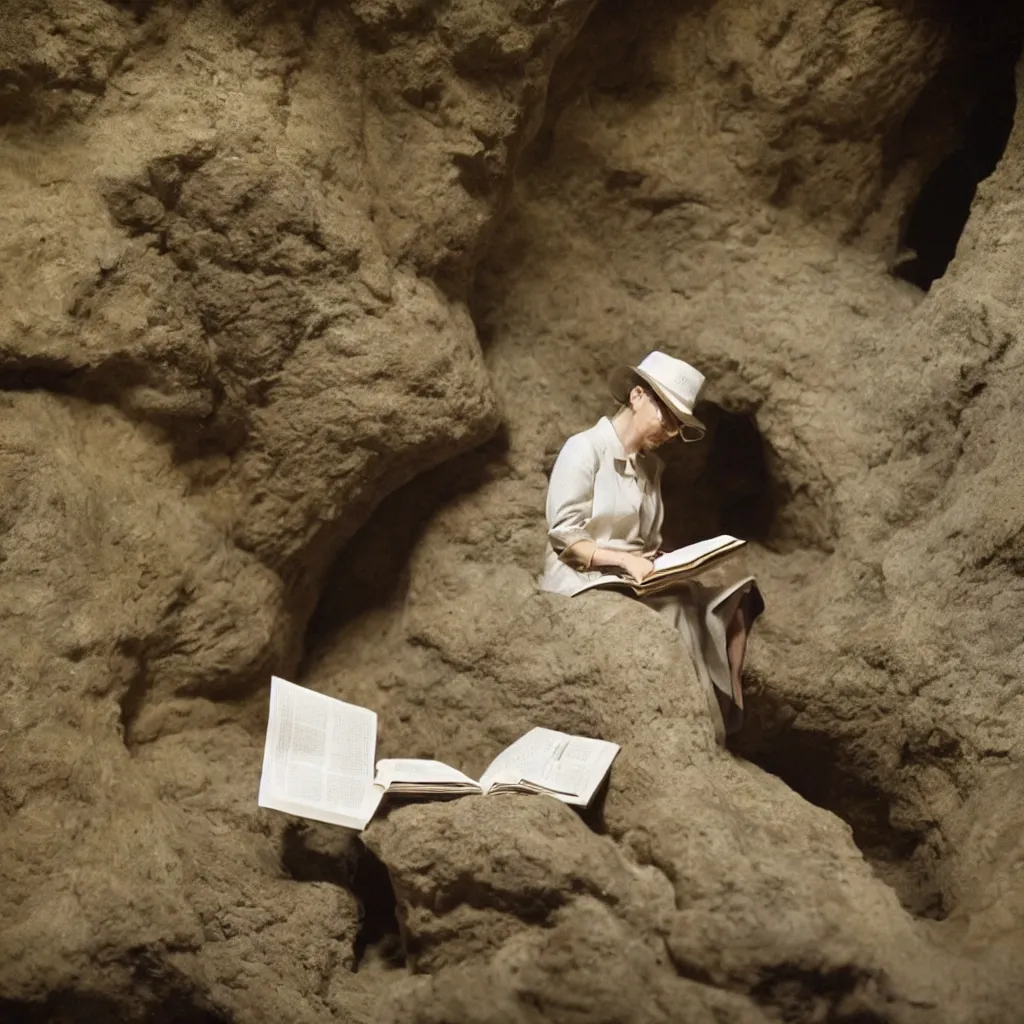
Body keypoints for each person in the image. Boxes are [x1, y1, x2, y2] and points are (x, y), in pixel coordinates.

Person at [540, 350, 764, 740]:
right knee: (677, 609)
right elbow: (565, 537)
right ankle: (699, 728)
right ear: (637, 396)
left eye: (679, 426)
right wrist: (625, 562)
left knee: (732, 600)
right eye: (668, 418)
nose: (671, 432)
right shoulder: (585, 449)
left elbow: (646, 542)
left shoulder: (649, 469)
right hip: (580, 578)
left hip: (630, 579)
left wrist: (659, 561)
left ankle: (722, 713)